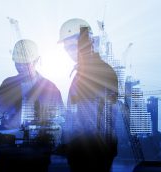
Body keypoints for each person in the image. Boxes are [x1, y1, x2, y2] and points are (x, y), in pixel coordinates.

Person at [58, 18, 118, 171]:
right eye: (67, 47)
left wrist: (68, 142)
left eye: (73, 45)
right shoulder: (84, 71)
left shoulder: (94, 72)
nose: (70, 52)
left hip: (91, 154)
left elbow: (89, 119)